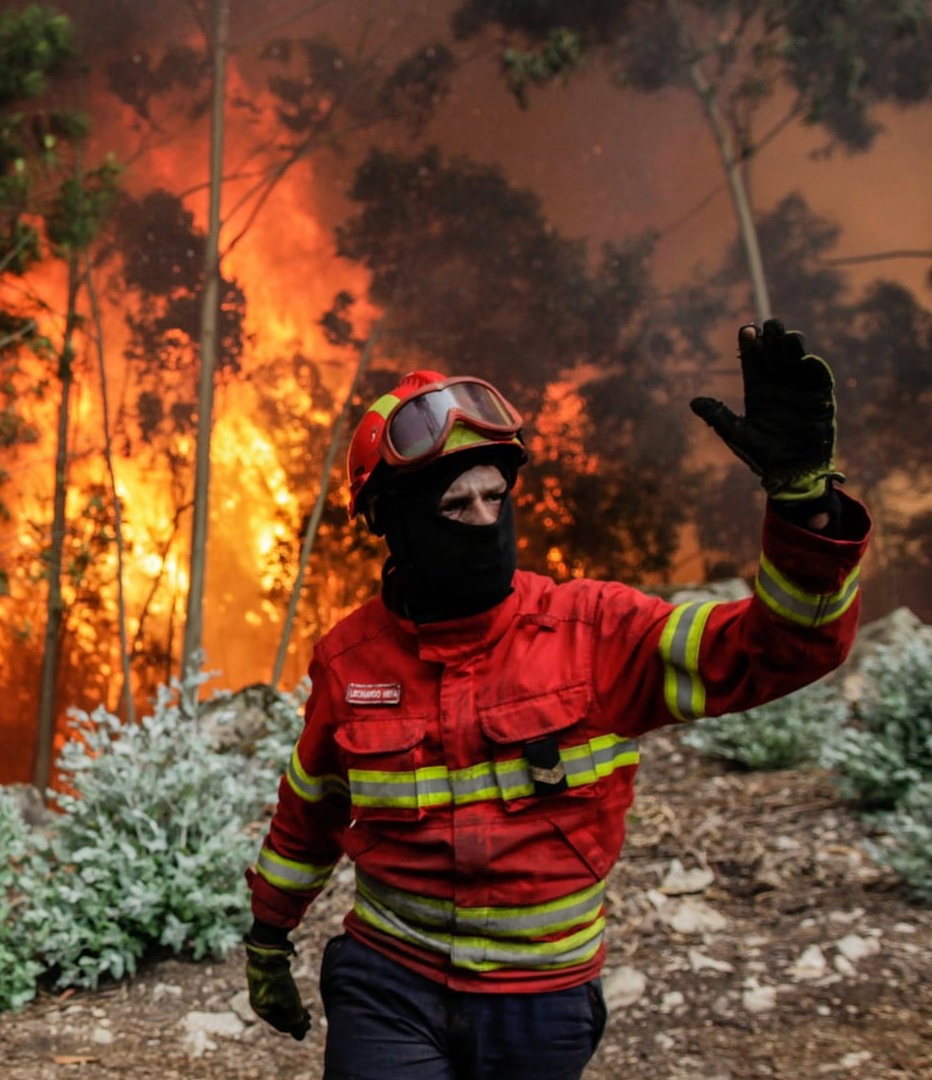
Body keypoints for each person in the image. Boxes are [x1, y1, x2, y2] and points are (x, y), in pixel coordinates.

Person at [242, 320, 868, 1079]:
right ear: (392, 524)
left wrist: (806, 511)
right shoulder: (349, 661)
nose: (484, 520)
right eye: (455, 506)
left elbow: (780, 649)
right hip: (389, 984)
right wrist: (269, 938)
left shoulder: (597, 632)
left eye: (496, 497)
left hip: (541, 1001)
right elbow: (309, 810)